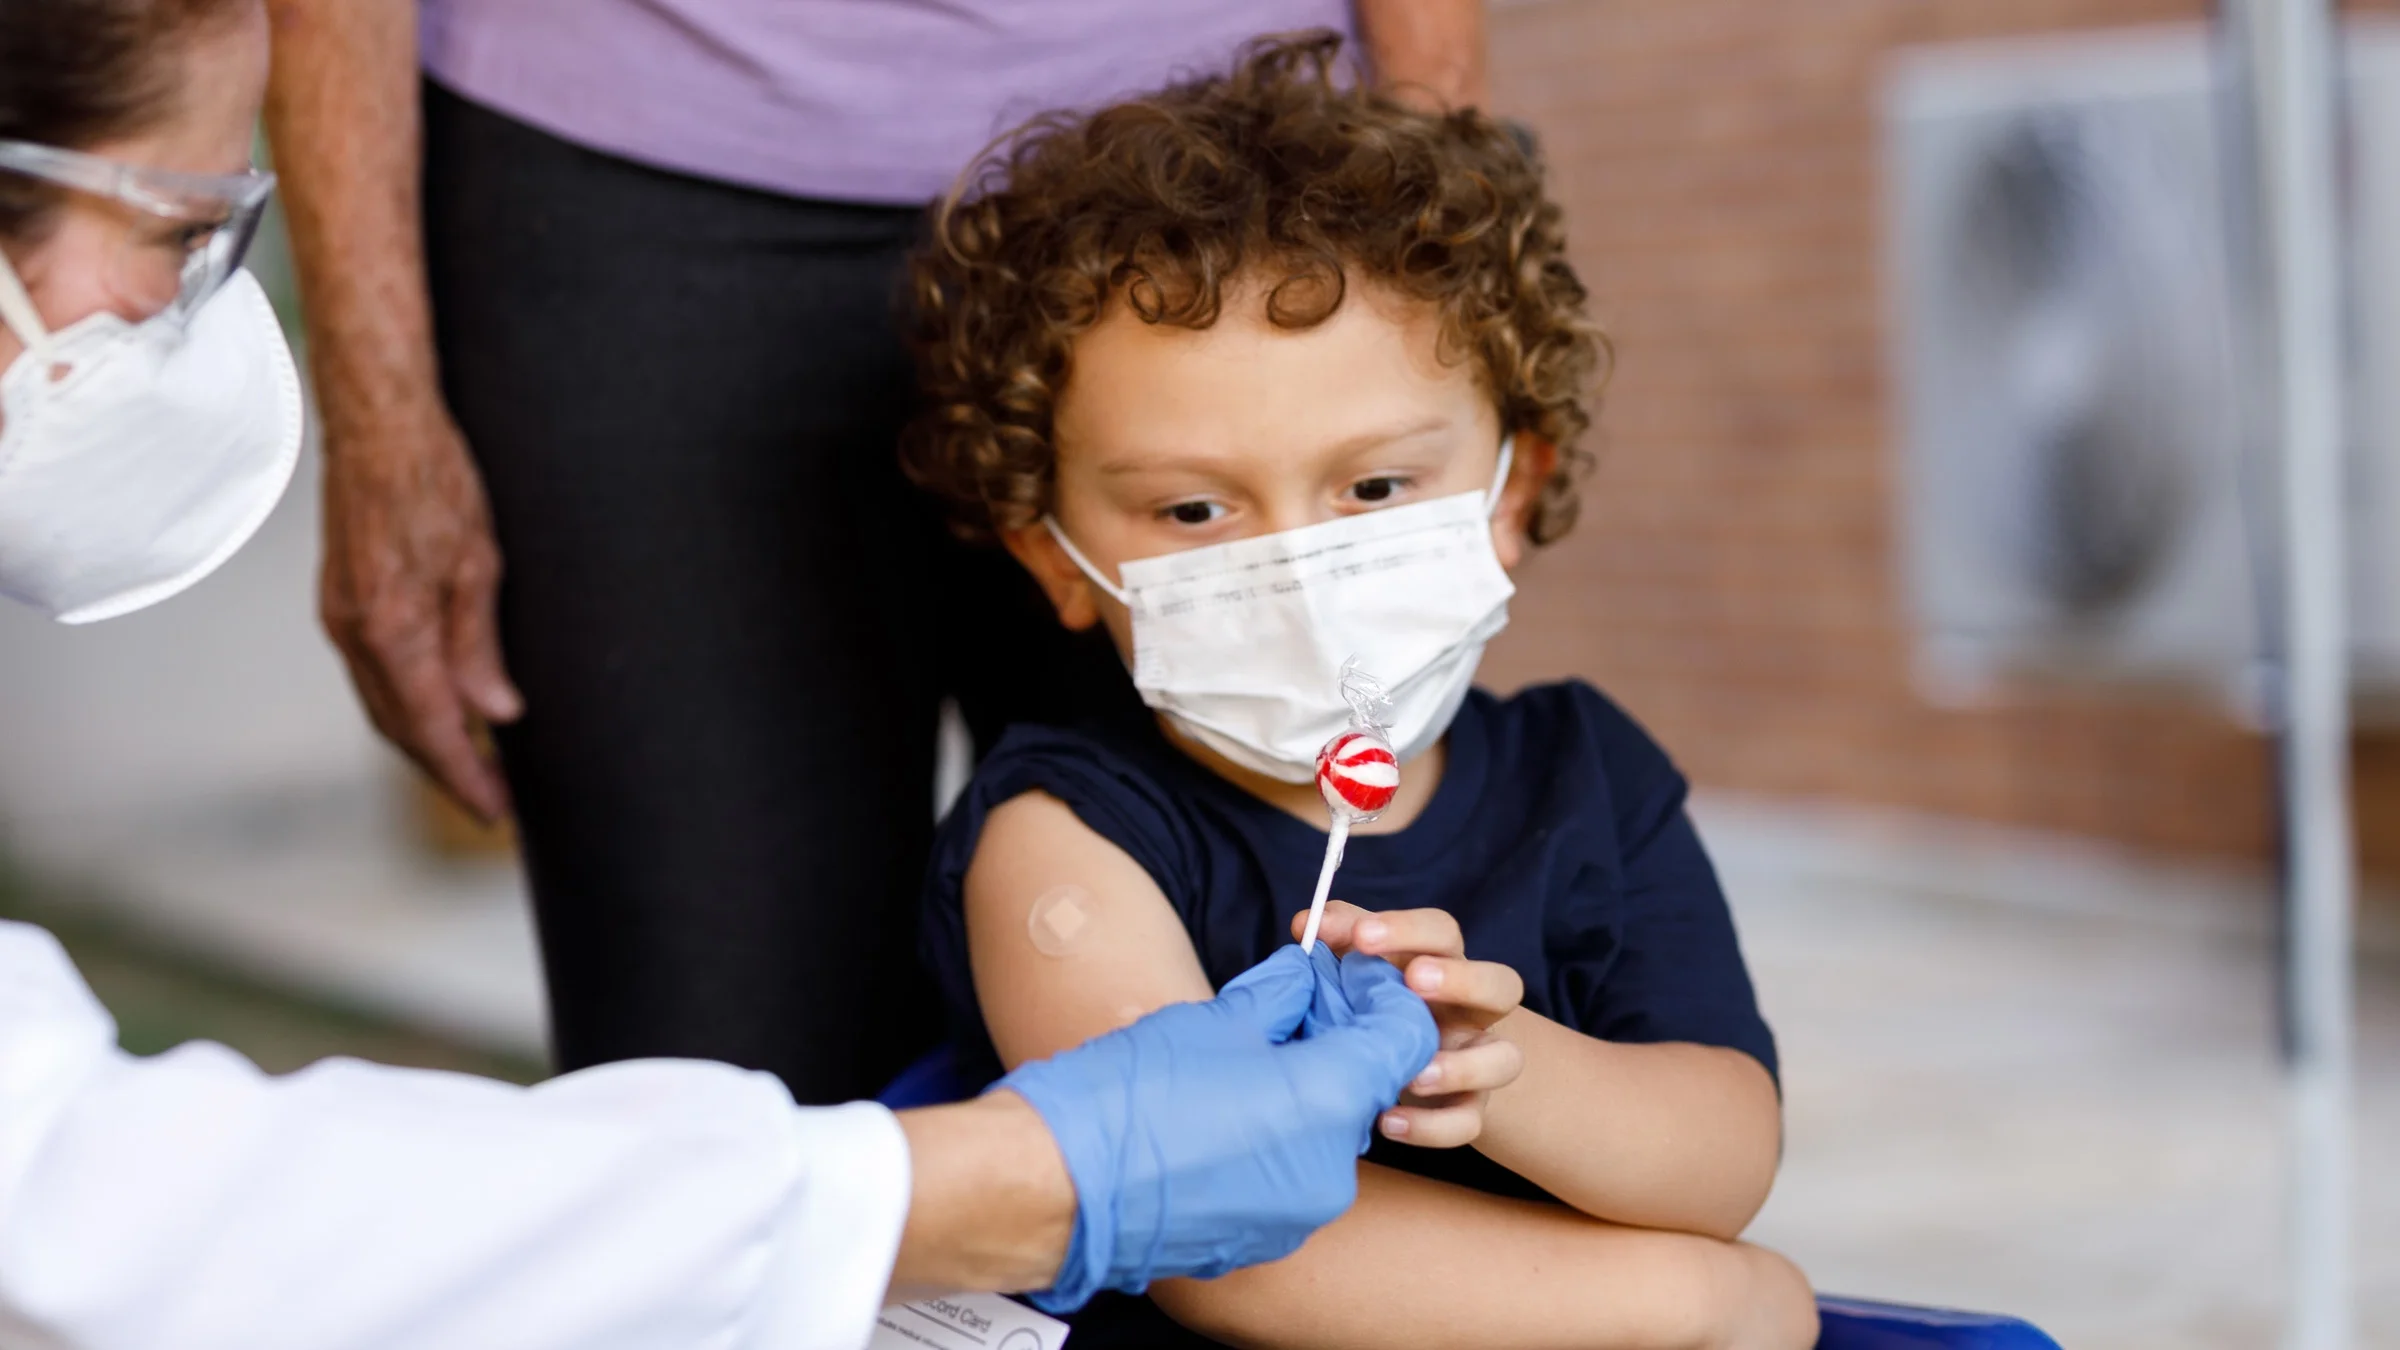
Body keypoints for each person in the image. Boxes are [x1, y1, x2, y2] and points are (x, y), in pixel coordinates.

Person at [0, 4, 1453, 1346]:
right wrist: (977, 1185)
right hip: (623, 161)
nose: (200, 319)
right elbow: (81, 1189)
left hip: (1203, 129)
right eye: (185, 225)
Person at [263, 0, 1494, 1106]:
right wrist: (377, 415)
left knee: (1297, 1027)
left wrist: (1449, 267)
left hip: (1216, 164)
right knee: (717, 1092)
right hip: (621, 167)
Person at [903, 34, 1822, 1349]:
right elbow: (1212, 1229)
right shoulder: (1065, 841)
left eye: (1374, 487)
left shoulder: (1590, 774)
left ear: (1511, 489)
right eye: (1196, 505)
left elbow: (1724, 1156)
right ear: (1057, 555)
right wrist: (1684, 1301)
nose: (1295, 566)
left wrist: (1492, 1068)